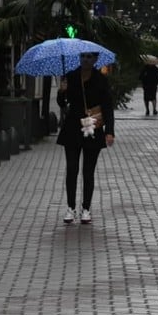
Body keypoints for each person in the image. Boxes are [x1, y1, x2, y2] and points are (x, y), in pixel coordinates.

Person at [56, 52, 115, 225]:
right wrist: (61, 91)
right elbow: (62, 103)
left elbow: (108, 107)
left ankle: (86, 208)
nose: (86, 60)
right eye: (83, 56)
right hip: (73, 127)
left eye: (89, 57)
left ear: (95, 59)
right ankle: (70, 208)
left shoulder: (101, 79)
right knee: (72, 168)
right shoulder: (71, 76)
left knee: (88, 171)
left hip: (93, 128)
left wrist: (109, 131)